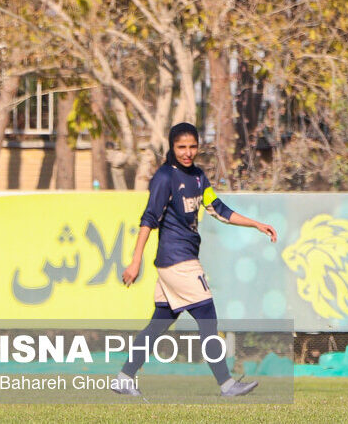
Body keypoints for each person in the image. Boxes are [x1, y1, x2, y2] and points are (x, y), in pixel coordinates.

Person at [112, 122, 278, 397]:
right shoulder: (165, 177)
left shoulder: (199, 177)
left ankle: (123, 378)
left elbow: (218, 208)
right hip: (178, 261)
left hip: (177, 262)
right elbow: (148, 219)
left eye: (192, 146)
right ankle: (226, 384)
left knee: (159, 324)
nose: (188, 152)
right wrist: (135, 260)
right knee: (207, 317)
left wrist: (256, 224)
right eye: (181, 147)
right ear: (172, 147)